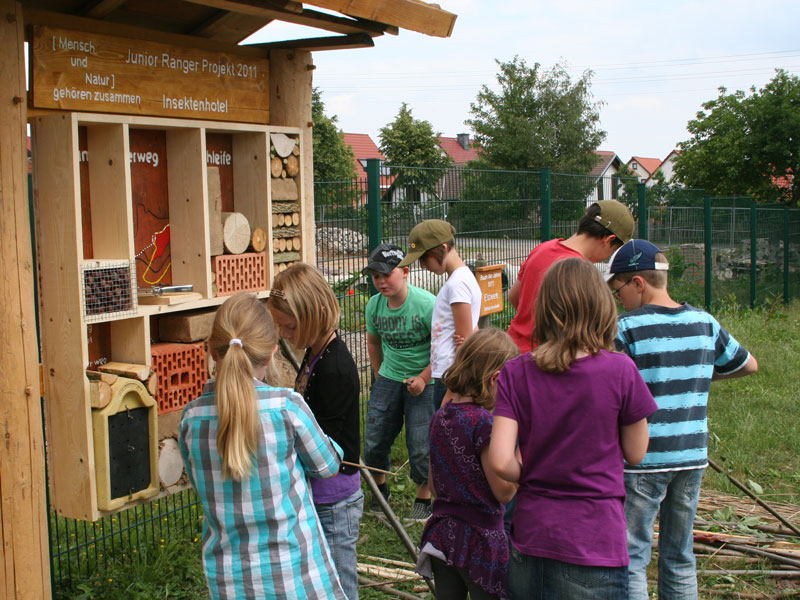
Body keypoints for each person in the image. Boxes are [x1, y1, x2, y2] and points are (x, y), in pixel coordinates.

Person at [487, 258, 658, 600]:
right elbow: (637, 454)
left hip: (531, 535)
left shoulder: (515, 372)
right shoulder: (621, 370)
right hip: (594, 539)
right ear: (600, 305)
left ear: (545, 308)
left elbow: (500, 460)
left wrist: (535, 472)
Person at [607, 239, 759, 600]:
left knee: (633, 556)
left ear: (638, 283)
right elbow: (747, 364)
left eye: (618, 291)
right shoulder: (704, 322)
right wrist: (701, 374)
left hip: (642, 460)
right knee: (679, 554)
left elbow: (606, 381)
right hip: (691, 456)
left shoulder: (626, 328)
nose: (618, 300)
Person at [179, 292, 346, 600]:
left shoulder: (192, 418)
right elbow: (327, 466)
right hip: (296, 575)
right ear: (271, 352)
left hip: (231, 580)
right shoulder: (286, 407)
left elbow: (196, 479)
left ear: (212, 352)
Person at [267, 263, 363, 600]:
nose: (286, 335)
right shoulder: (316, 352)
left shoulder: (335, 369)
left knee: (338, 585)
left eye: (290, 327)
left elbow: (330, 450)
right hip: (319, 492)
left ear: (315, 314)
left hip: (334, 498)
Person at [416, 328, 520, 600]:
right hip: (481, 542)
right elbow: (504, 491)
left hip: (442, 535)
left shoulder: (441, 416)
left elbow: (433, 486)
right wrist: (523, 455)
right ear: (497, 378)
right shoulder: (485, 424)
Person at [362, 243, 438, 520]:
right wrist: (379, 373)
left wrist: (424, 377)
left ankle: (423, 499)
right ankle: (380, 493)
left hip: (424, 383)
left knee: (420, 444)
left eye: (387, 274)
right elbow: (373, 341)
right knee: (374, 439)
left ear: (405, 272)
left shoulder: (427, 304)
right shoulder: (374, 305)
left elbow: (441, 349)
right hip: (389, 378)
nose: (381, 282)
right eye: (375, 276)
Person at [507, 200, 635, 353]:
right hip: (547, 359)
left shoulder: (542, 248)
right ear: (608, 240)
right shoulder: (580, 271)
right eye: (613, 250)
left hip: (512, 350)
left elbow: (514, 297)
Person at [398, 219, 482, 408]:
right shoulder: (462, 278)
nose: (422, 266)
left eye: (423, 258)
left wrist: (451, 393)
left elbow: (464, 341)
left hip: (451, 378)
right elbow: (471, 330)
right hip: (447, 375)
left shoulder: (457, 284)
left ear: (442, 248)